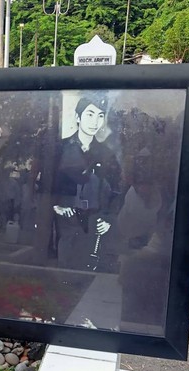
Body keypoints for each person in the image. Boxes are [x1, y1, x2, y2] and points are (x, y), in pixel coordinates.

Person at [52, 94, 121, 272]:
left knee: (90, 277)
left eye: (100, 116)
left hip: (94, 224)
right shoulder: (61, 148)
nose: (94, 121)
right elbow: (46, 186)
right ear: (78, 117)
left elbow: (117, 192)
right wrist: (56, 206)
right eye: (90, 114)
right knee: (66, 275)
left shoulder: (107, 154)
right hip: (68, 223)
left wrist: (108, 220)